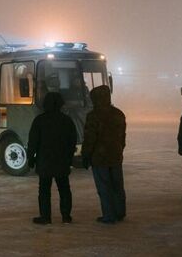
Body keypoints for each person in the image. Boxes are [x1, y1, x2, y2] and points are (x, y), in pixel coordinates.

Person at [27, 92, 78, 225]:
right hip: (62, 161)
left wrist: (30, 159)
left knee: (44, 190)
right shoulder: (67, 120)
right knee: (64, 188)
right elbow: (73, 140)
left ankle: (45, 217)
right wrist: (69, 156)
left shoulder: (39, 120)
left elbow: (32, 142)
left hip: (44, 161)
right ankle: (66, 216)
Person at [82, 85, 127, 224]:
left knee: (104, 187)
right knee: (117, 186)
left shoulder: (93, 116)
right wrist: (119, 149)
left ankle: (109, 215)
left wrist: (86, 156)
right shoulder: (118, 114)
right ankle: (120, 212)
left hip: (99, 158)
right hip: (116, 156)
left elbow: (90, 139)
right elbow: (122, 137)